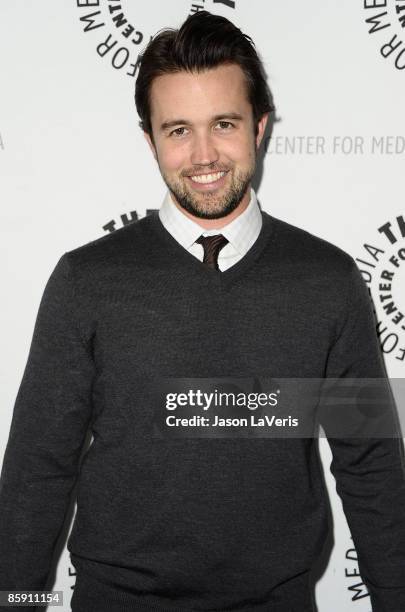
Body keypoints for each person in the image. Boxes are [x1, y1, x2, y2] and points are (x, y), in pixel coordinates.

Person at [1, 10, 405, 612]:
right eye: (178, 129)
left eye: (223, 123)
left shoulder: (329, 281)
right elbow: (38, 469)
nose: (204, 154)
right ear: (150, 139)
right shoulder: (88, 281)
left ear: (260, 127)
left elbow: (369, 463)